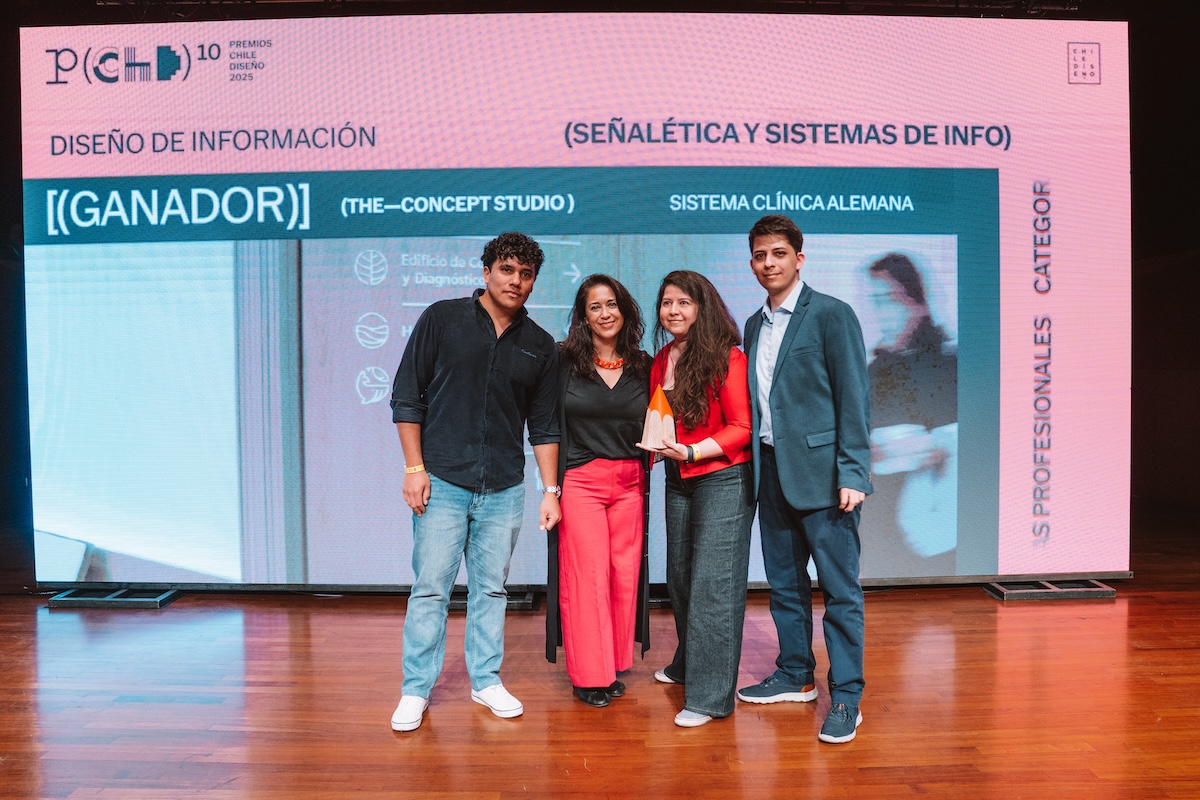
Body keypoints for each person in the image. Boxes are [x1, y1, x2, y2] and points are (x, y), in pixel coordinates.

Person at [388, 232, 561, 732]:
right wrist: (414, 468)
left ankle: (485, 680)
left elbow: (544, 426)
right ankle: (415, 690)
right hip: (442, 479)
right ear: (486, 272)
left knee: (491, 590)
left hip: (504, 486)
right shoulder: (442, 319)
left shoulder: (540, 345)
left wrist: (550, 491)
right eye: (507, 270)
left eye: (526, 274)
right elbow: (407, 396)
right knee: (431, 590)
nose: (516, 281)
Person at [737, 214, 873, 744]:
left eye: (778, 253)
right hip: (770, 471)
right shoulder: (754, 324)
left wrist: (853, 472)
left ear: (799, 258)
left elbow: (854, 398)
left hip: (826, 478)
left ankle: (847, 696)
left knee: (840, 591)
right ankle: (795, 673)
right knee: (785, 585)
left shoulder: (832, 315)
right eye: (760, 255)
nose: (768, 263)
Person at [640, 269, 754, 728]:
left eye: (684, 302)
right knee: (682, 577)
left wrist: (690, 451)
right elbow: (660, 419)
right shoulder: (662, 357)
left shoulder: (728, 356)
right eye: (667, 302)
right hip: (678, 475)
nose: (673, 310)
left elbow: (741, 428)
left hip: (722, 476)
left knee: (713, 586)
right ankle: (690, 664)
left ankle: (710, 698)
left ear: (702, 308)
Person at [548, 274, 651, 707]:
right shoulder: (562, 362)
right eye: (595, 306)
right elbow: (546, 424)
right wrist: (549, 488)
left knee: (623, 577)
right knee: (587, 577)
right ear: (583, 316)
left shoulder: (644, 365)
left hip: (631, 483)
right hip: (581, 482)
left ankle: (611, 664)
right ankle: (589, 675)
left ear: (624, 310)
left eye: (612, 304)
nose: (605, 313)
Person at [864, 253, 958, 576]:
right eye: (875, 302)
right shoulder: (874, 372)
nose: (881, 313)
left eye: (888, 300)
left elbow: (964, 445)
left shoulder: (950, 365)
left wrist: (923, 449)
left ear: (917, 302)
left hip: (940, 533)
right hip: (882, 529)